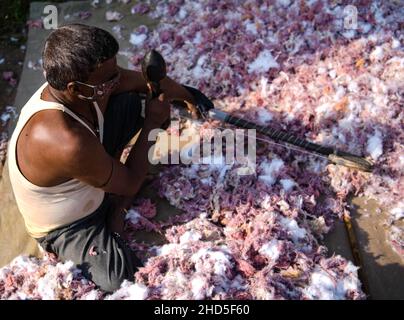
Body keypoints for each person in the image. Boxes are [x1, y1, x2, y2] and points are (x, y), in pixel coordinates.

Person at [7, 23, 198, 292]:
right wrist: (152, 124)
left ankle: (112, 193)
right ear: (76, 89)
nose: (116, 80)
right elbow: (131, 182)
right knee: (118, 279)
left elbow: (143, 82)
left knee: (135, 101)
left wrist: (188, 96)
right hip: (70, 224)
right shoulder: (65, 141)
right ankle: (115, 209)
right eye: (109, 80)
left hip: (89, 160)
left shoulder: (77, 83)